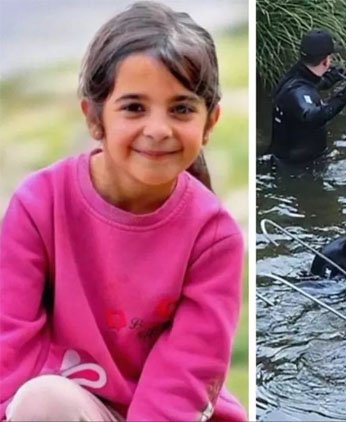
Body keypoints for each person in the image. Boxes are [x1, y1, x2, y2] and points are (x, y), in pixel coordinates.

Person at [0, 3, 246, 421]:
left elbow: (185, 379)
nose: (158, 129)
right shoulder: (39, 204)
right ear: (95, 118)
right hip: (61, 409)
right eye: (134, 107)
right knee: (41, 402)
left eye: (182, 108)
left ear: (209, 123)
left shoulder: (214, 237)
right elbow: (9, 348)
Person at [270, 29, 346, 163]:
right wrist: (345, 96)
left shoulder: (294, 76)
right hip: (299, 166)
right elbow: (312, 116)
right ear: (326, 61)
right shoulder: (298, 91)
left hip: (286, 155)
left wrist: (328, 81)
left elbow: (306, 87)